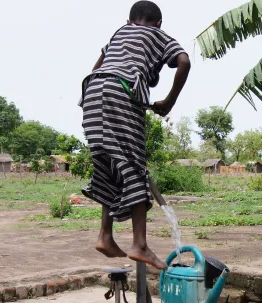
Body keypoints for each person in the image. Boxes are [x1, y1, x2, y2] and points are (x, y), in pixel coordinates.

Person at [79, 0, 190, 270]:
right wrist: (169, 101)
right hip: (122, 91)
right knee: (134, 165)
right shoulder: (158, 35)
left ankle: (105, 235)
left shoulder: (119, 33)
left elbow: (97, 67)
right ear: (159, 23)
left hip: (92, 91)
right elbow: (184, 62)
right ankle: (140, 244)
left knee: (109, 163)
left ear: (129, 20)